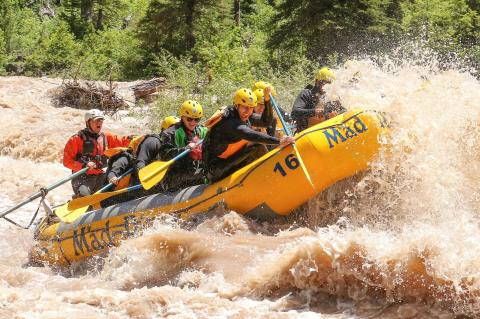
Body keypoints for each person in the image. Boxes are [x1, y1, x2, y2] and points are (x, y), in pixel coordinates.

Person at [203, 87, 295, 183]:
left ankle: (267, 174)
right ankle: (270, 176)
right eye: (245, 107)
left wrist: (267, 100)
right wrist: (279, 141)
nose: (248, 111)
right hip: (216, 169)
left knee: (257, 145)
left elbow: (266, 121)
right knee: (257, 145)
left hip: (228, 160)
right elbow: (250, 134)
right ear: (236, 105)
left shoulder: (244, 115)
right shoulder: (230, 122)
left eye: (251, 108)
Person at [63, 109, 131, 197]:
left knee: (117, 188)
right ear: (88, 122)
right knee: (85, 195)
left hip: (100, 175)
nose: (99, 123)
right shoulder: (76, 139)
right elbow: (67, 162)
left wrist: (133, 139)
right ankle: (78, 198)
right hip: (82, 177)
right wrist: (84, 165)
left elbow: (122, 141)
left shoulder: (106, 137)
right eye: (96, 120)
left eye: (101, 120)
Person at [105, 115, 179, 189]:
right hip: (130, 184)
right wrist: (112, 176)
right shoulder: (127, 155)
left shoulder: (169, 146)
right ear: (165, 130)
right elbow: (138, 164)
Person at [291, 67, 346, 133]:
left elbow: (344, 111)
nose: (324, 85)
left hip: (325, 134)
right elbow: (294, 112)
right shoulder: (307, 94)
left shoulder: (332, 98)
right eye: (322, 82)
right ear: (316, 81)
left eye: (328, 83)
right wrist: (315, 112)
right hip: (306, 134)